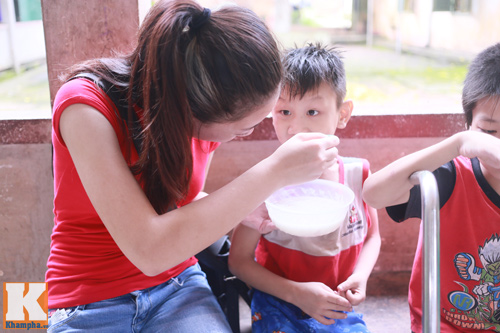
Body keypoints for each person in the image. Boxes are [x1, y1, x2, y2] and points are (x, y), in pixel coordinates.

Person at [46, 1, 339, 332]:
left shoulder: (198, 120)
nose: (247, 134)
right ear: (193, 109)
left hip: (176, 287)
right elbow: (150, 249)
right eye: (243, 128)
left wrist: (244, 210)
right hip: (86, 298)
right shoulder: (86, 108)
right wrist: (274, 172)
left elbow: (178, 204)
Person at [228, 43, 381, 333]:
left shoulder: (358, 175)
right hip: (278, 303)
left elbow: (373, 236)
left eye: (312, 111)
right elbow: (238, 261)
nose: (296, 128)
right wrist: (296, 293)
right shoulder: (262, 182)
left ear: (343, 114)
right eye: (284, 111)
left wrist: (360, 276)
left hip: (336, 304)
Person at [362, 43, 500, 332]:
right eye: (489, 132)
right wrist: (456, 145)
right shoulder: (452, 178)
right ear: (469, 127)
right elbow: (374, 194)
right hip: (443, 325)